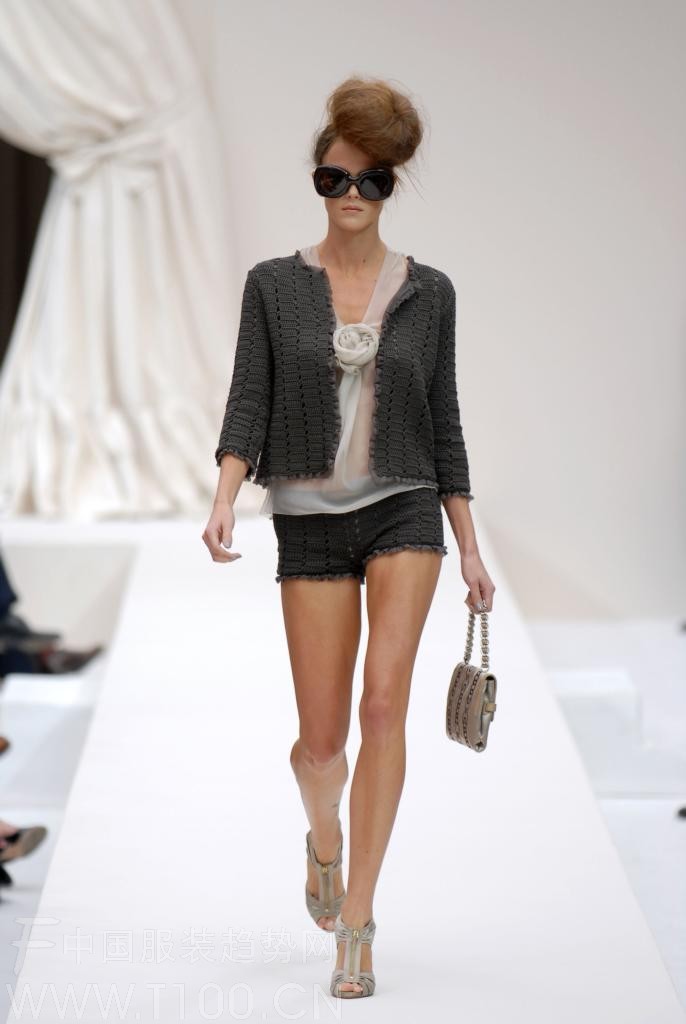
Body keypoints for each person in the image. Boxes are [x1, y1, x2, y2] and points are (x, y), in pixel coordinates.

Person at [202, 76, 496, 999]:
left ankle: (358, 919)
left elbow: (444, 418)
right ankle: (323, 840)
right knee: (322, 744)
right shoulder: (273, 286)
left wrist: (469, 544)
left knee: (382, 711)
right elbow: (248, 400)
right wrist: (224, 495)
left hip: (406, 508)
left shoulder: (432, 293)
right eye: (336, 179)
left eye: (372, 181)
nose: (353, 196)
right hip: (309, 521)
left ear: (392, 187)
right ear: (316, 180)